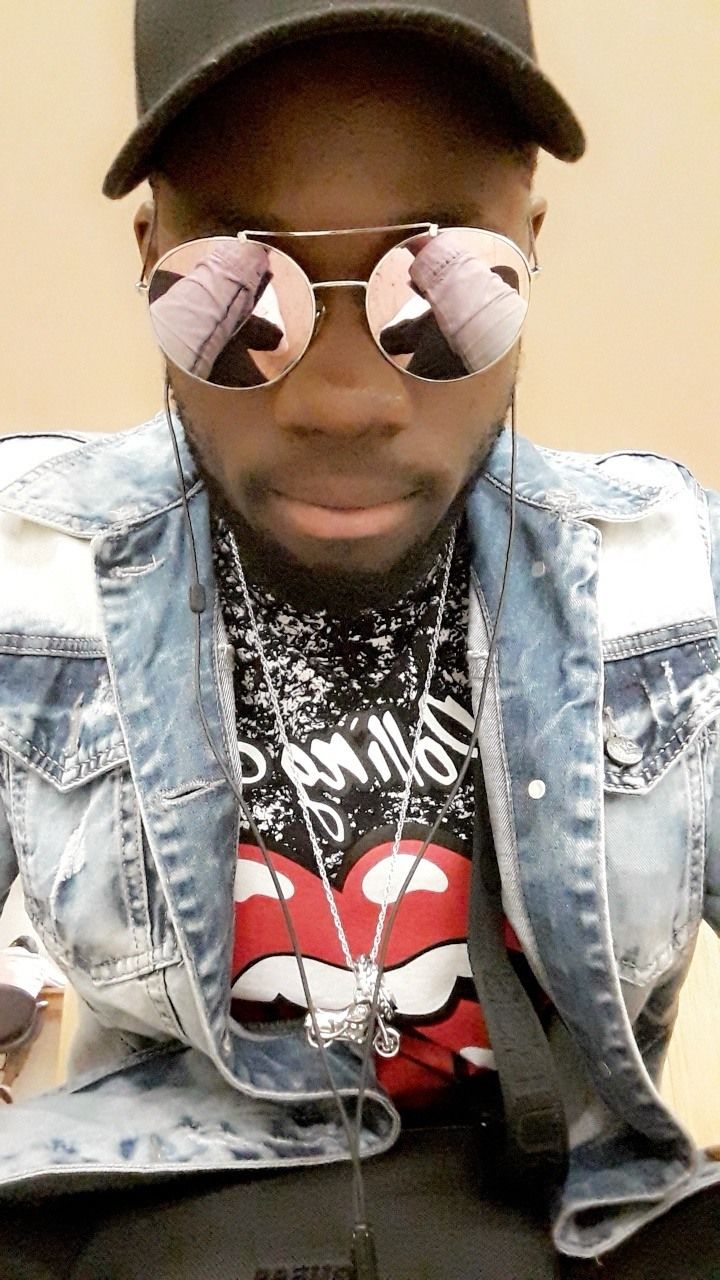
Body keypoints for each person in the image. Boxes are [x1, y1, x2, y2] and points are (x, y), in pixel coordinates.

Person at [0, 2, 718, 1276]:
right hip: (154, 1209)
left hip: (563, 1213)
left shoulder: (671, 583)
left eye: (442, 286)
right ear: (148, 255)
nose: (344, 399)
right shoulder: (30, 576)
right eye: (237, 290)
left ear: (529, 247)